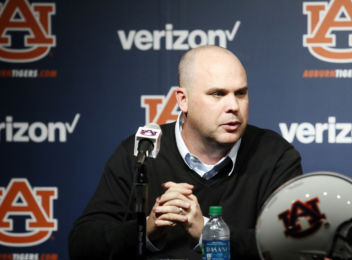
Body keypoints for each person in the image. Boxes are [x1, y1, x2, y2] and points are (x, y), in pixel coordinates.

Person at [68, 45, 303, 259]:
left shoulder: (275, 155)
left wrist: (209, 234)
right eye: (218, 94)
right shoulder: (141, 152)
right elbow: (83, 245)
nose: (233, 106)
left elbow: (292, 246)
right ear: (183, 100)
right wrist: (148, 229)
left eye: (240, 93)